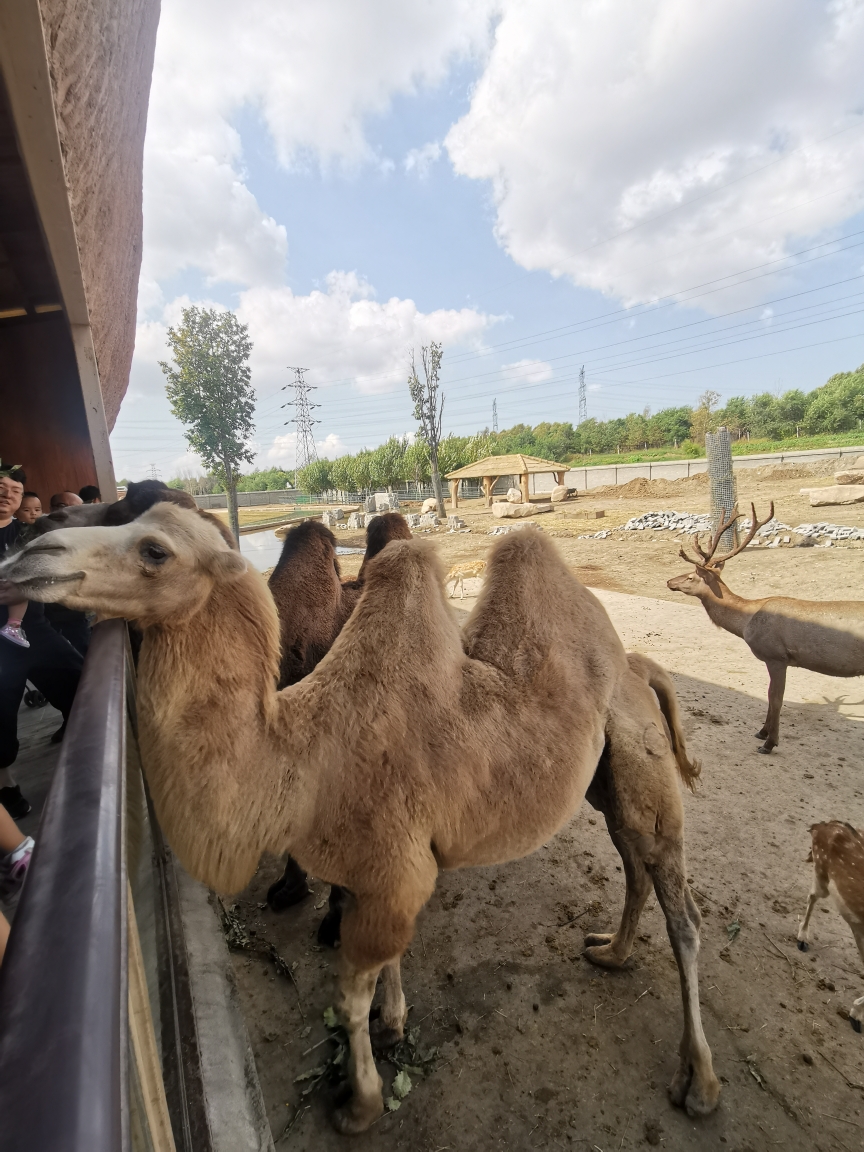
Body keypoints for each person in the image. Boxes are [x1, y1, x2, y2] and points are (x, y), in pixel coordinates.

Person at [0, 468, 83, 818]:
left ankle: (92, 762)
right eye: (1, 487)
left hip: (37, 630)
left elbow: (60, 572)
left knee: (83, 685)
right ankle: (6, 786)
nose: (8, 494)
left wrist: (28, 588)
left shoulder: (31, 534)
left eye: (15, 490)